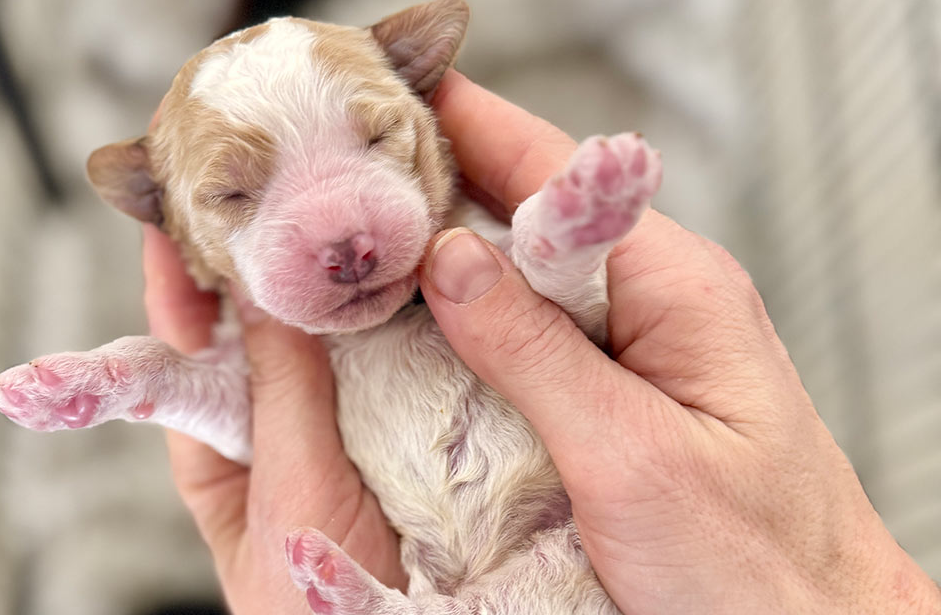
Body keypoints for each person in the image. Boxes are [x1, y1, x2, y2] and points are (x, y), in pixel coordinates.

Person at [142, 70, 941, 614]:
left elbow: (575, 335)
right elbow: (249, 433)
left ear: (419, 108)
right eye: (235, 194)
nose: (340, 239)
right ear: (174, 215)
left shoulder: (464, 251)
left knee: (537, 296)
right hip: (461, 573)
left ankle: (564, 245)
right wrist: (142, 380)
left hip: (566, 542)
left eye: (378, 140)